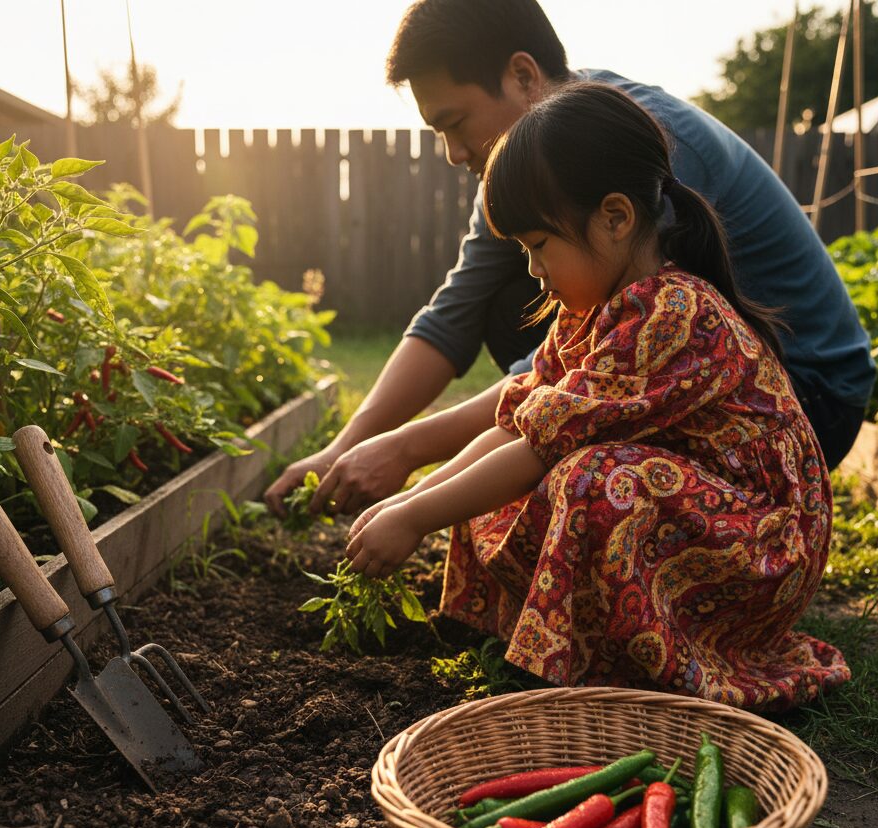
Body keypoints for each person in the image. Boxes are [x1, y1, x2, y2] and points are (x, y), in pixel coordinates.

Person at [344, 81, 850, 710]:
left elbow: (536, 450)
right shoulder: (589, 314)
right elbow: (516, 424)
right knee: (494, 479)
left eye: (539, 245)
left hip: (766, 548)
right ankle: (530, 633)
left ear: (615, 217)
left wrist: (416, 518)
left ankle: (625, 668)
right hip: (706, 514)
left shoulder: (674, 313)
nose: (533, 269)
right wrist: (418, 498)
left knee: (589, 478)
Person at [263, 0, 875, 519]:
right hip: (689, 377)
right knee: (511, 307)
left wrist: (416, 469)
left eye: (455, 123)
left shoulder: (636, 144)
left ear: (524, 76)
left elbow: (602, 366)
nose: (452, 154)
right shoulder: (527, 162)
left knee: (581, 470)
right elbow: (459, 310)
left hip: (802, 395)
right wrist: (349, 446)